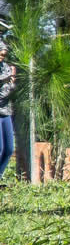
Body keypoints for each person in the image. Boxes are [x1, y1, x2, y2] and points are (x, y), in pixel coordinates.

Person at [0, 40, 15, 184]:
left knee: (9, 149)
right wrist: (6, 80)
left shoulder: (6, 67)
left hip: (6, 112)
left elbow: (11, 88)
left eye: (3, 53)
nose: (2, 55)